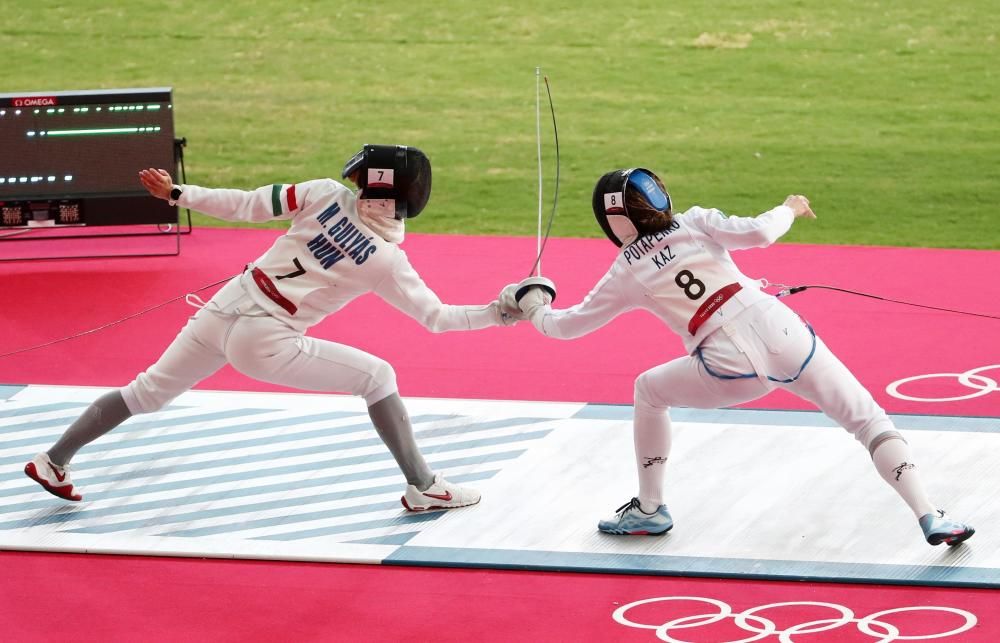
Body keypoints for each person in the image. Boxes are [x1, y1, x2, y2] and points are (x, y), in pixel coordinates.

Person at [25, 144, 517, 512]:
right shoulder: (386, 261)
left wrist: (179, 193)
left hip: (223, 306)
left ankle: (54, 458)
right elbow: (438, 318)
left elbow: (246, 204)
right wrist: (501, 310)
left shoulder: (323, 193)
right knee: (378, 377)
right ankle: (424, 486)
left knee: (147, 391)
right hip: (265, 339)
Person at [511, 167, 975, 546]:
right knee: (869, 421)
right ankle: (929, 514)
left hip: (728, 366)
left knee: (649, 391)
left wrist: (533, 301)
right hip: (785, 332)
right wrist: (789, 207)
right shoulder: (694, 220)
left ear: (614, 222)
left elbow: (564, 327)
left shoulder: (626, 270)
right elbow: (759, 231)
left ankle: (650, 510)